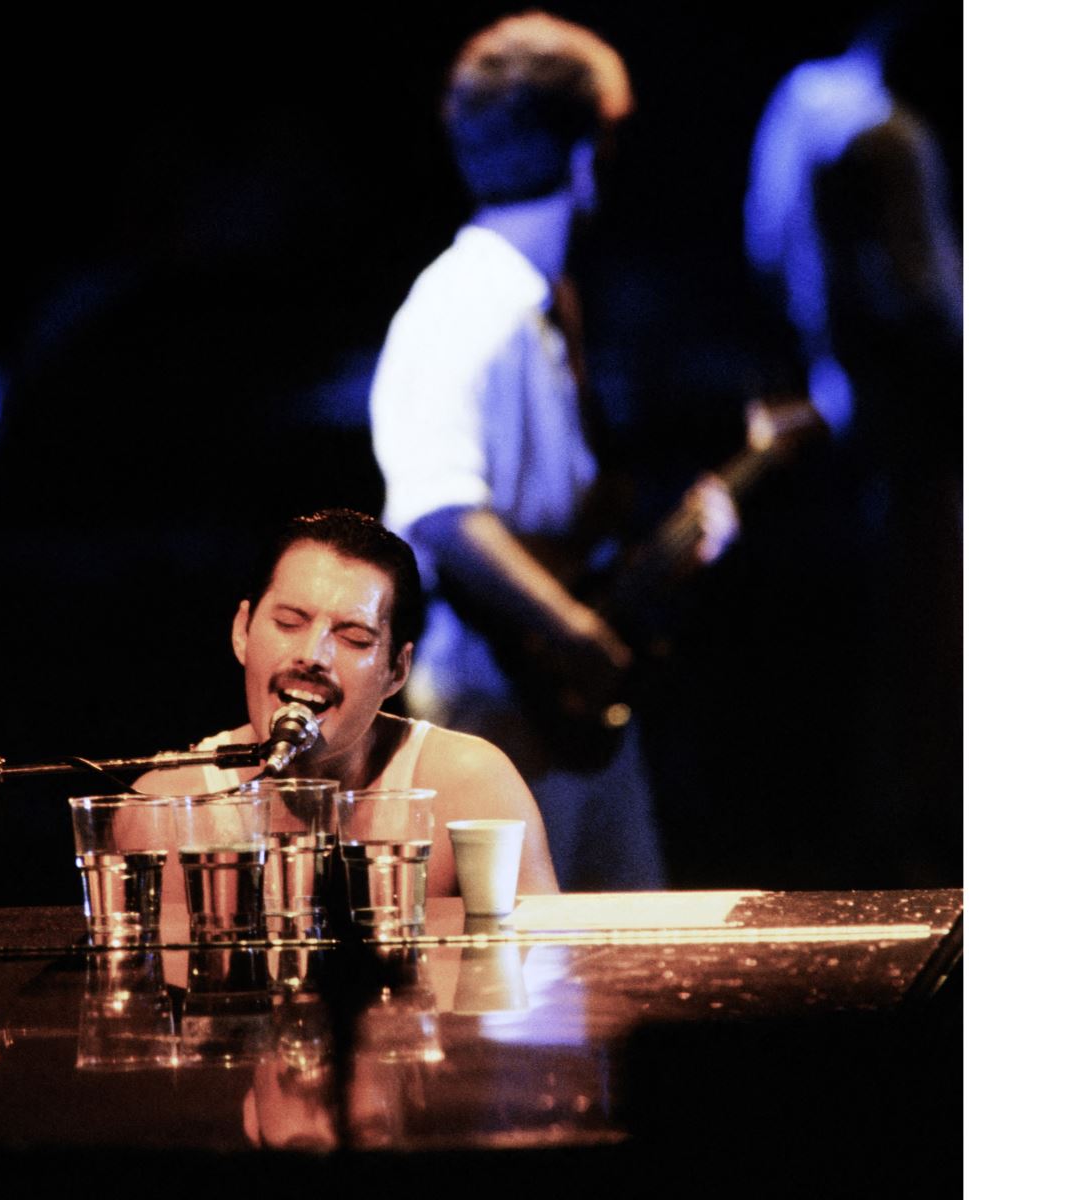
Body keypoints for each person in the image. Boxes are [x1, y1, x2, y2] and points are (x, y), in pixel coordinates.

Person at [368, 11, 737, 891]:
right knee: (524, 987)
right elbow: (438, 508)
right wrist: (573, 633)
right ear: (579, 154)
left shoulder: (530, 300)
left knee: (614, 960)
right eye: (612, 131)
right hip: (501, 704)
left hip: (554, 704)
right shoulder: (465, 304)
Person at [740, 1, 962, 883]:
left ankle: (884, 840)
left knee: (891, 643)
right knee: (925, 644)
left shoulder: (803, 100)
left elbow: (764, 246)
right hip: (911, 417)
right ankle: (911, 854)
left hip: (840, 396)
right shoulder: (888, 134)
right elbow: (928, 302)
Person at [137, 508, 560, 899]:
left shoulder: (473, 788)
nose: (313, 656)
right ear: (242, 631)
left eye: (353, 637)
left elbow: (544, 965)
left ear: (397, 670)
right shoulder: (165, 806)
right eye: (289, 623)